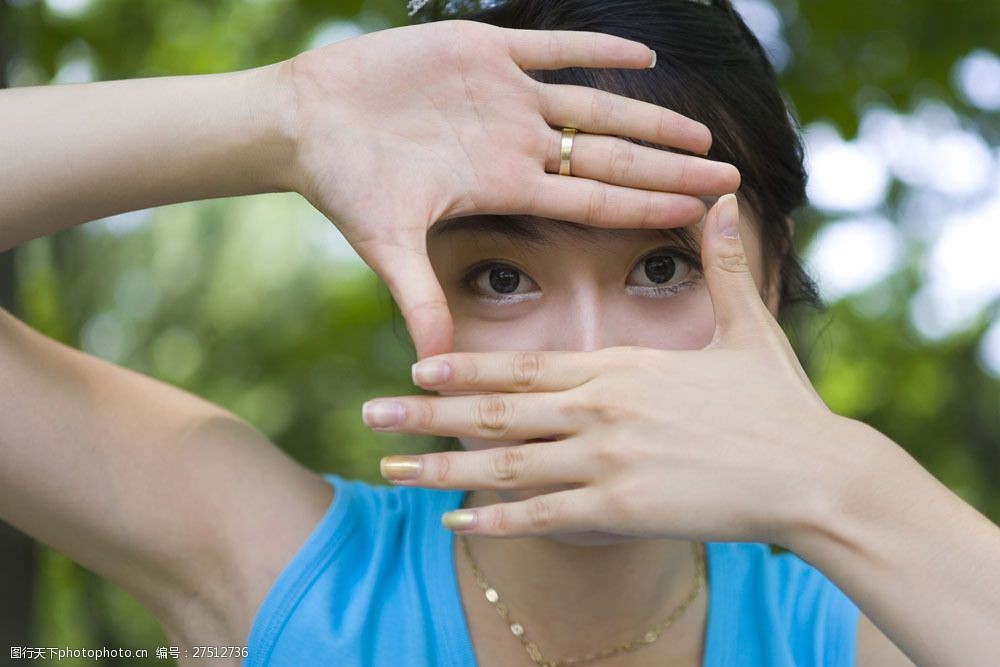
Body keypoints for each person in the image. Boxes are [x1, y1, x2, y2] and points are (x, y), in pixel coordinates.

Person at [1, 1, 998, 666]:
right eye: (501, 277)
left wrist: (838, 480)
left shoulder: (869, 630)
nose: (586, 356)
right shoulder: (280, 571)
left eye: (663, 267)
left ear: (775, 275)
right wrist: (286, 116)